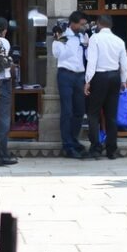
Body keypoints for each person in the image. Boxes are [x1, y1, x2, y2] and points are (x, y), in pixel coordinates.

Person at [84, 15, 127, 160]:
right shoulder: (119, 41)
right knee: (111, 115)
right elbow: (124, 63)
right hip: (114, 76)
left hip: (99, 76)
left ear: (98, 24)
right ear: (111, 25)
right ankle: (111, 150)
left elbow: (92, 61)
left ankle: (95, 148)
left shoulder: (95, 38)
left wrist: (87, 80)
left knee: (93, 113)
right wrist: (124, 80)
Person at [53, 10, 90, 158]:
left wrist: (86, 45)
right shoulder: (63, 36)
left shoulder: (82, 36)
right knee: (67, 111)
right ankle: (67, 145)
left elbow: (87, 56)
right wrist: (72, 43)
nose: (83, 27)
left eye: (84, 24)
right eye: (81, 24)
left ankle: (74, 140)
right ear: (73, 23)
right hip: (66, 75)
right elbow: (58, 54)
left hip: (80, 76)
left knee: (79, 110)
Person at [0, 17, 17, 166]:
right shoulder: (4, 42)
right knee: (3, 119)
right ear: (5, 30)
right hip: (3, 82)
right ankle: (0, 153)